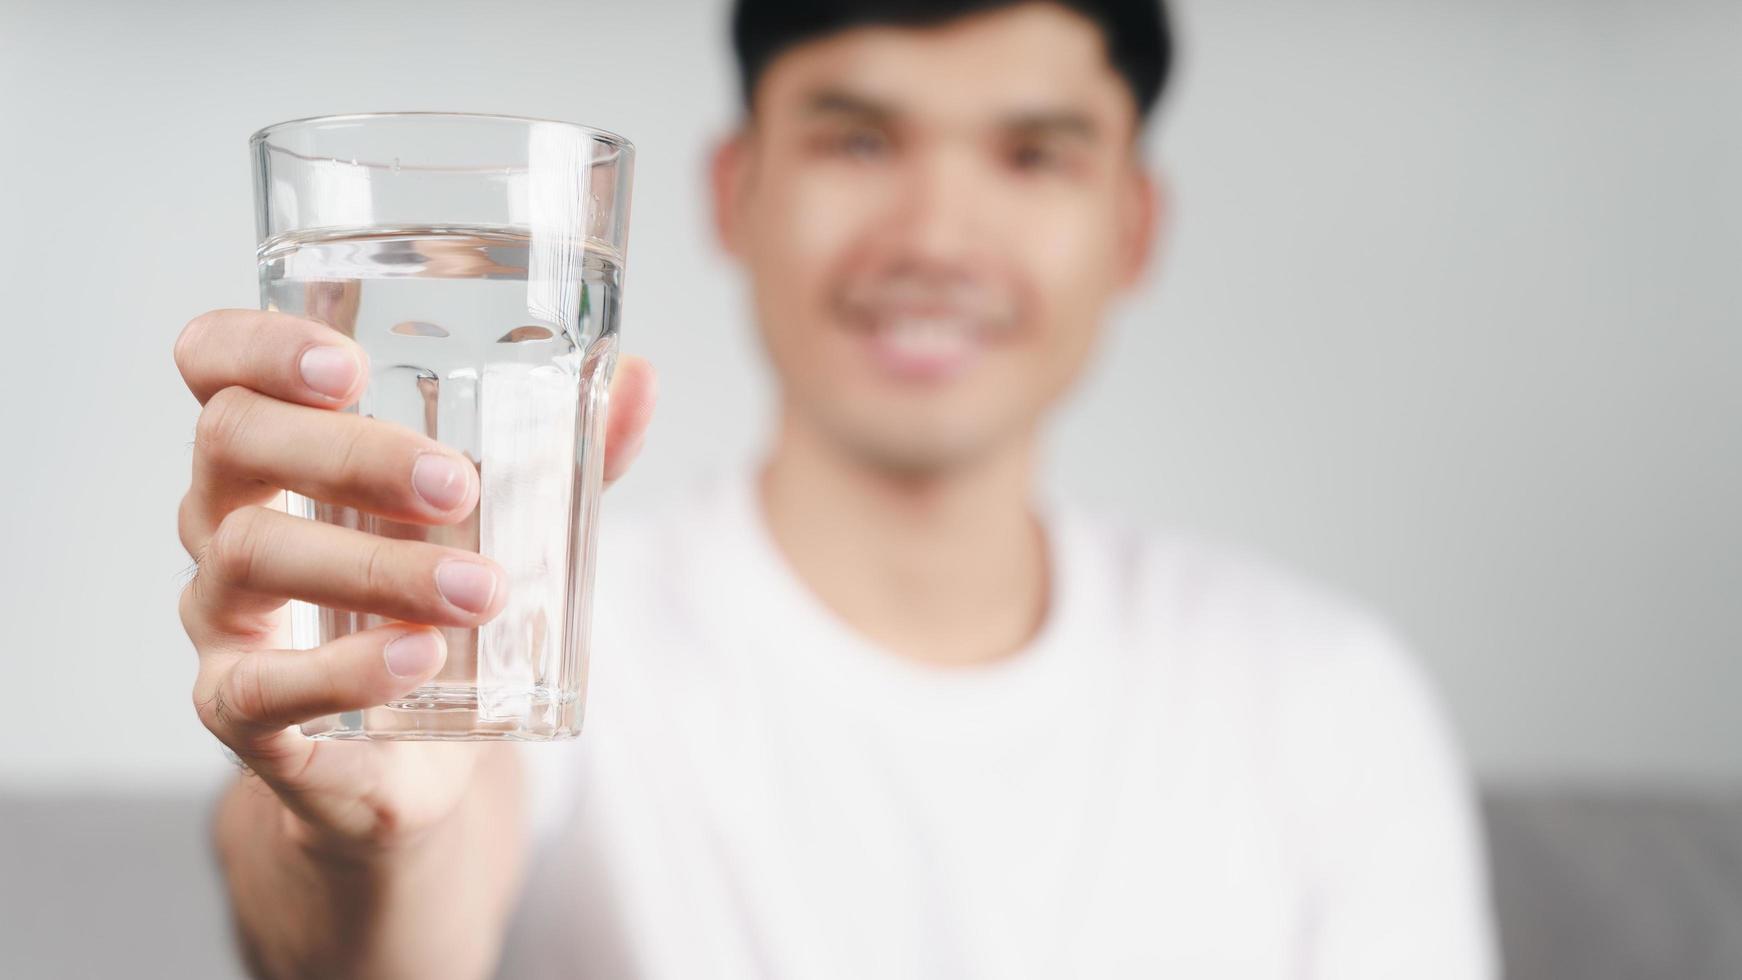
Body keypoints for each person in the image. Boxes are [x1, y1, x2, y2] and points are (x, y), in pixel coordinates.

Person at [172, 1, 1498, 977]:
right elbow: (359, 927)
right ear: (733, 195)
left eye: (1032, 155)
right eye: (858, 141)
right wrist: (364, 845)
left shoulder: (1325, 697)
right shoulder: (528, 627)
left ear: (1133, 226)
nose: (932, 238)